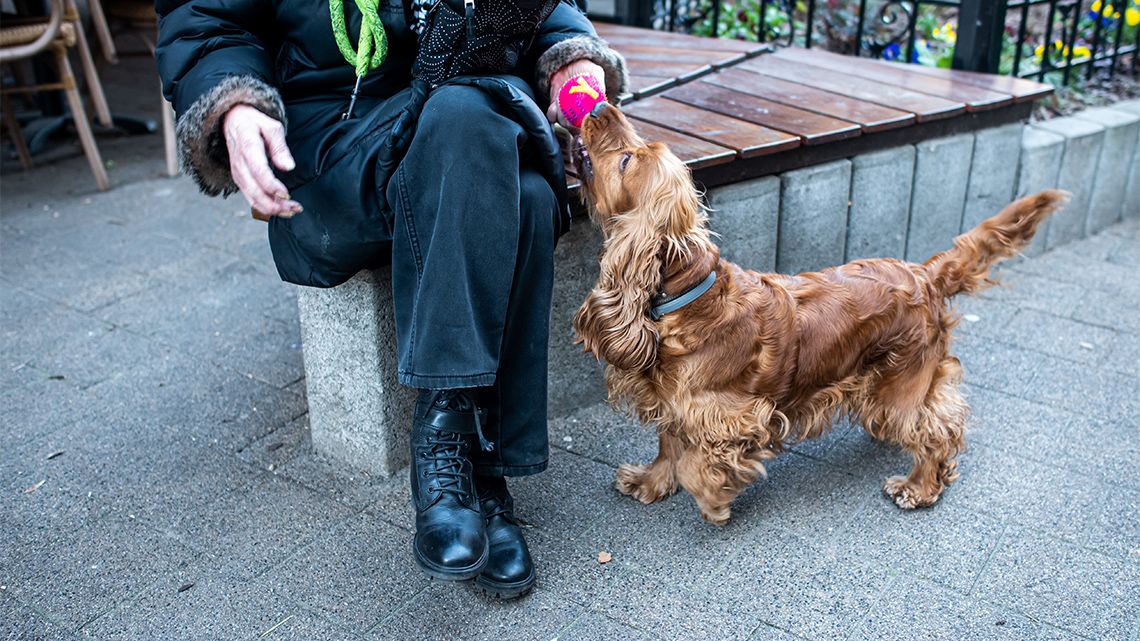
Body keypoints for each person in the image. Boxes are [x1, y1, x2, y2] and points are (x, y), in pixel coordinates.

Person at [155, 0, 627, 599]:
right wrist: (235, 101)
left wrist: (572, 63)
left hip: (467, 122)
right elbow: (204, 17)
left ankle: (457, 456)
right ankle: (479, 468)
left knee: (511, 171)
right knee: (493, 145)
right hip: (336, 138)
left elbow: (541, 9)